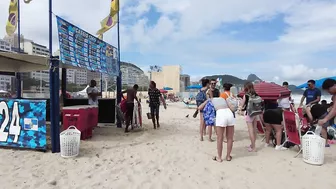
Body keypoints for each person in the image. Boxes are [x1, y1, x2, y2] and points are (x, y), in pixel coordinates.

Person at [199, 97, 235, 162]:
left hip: (221, 114)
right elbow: (231, 107)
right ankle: (228, 156)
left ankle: (219, 157)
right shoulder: (223, 99)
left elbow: (200, 107)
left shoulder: (210, 99)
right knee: (230, 137)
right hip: (229, 113)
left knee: (220, 138)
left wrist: (206, 101)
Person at [240, 82, 260, 152]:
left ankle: (253, 147)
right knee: (254, 130)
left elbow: (242, 105)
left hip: (249, 114)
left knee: (250, 131)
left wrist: (241, 103)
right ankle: (252, 144)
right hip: (255, 113)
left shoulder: (246, 95)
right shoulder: (256, 94)